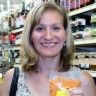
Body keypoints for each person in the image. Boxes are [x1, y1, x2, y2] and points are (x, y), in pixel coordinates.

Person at [1, 1, 96, 96]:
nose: (48, 36)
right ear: (30, 35)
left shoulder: (85, 82)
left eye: (56, 28)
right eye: (40, 28)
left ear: (65, 34)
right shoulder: (12, 79)